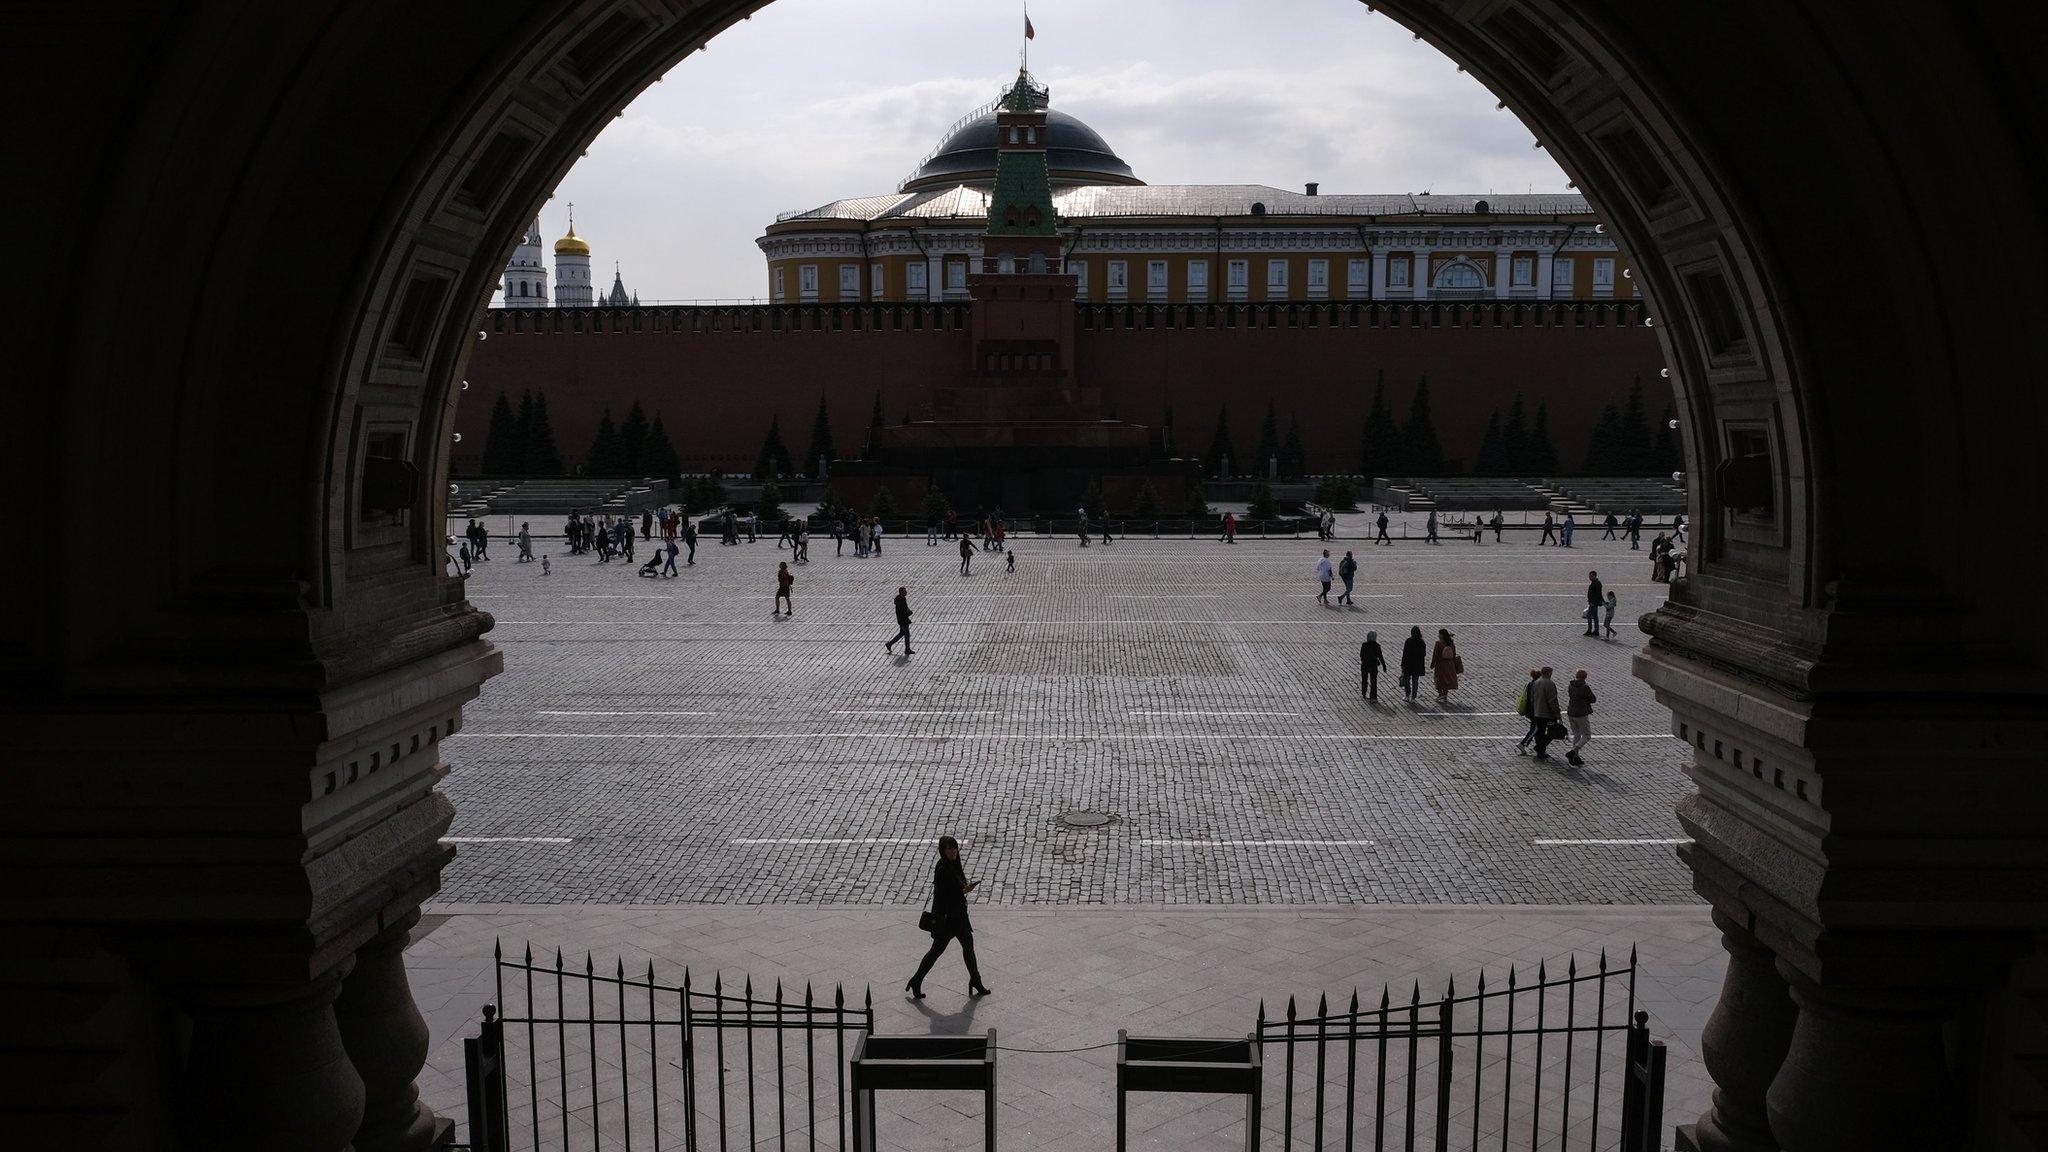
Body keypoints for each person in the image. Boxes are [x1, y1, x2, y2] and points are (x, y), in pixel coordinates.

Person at [905, 835, 989, 999]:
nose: (952, 851)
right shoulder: (943, 869)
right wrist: (964, 891)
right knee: (937, 951)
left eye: (954, 848)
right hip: (949, 919)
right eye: (949, 848)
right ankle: (916, 980)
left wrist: (963, 889)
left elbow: (955, 889)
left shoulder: (953, 865)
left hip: (958, 917)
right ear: (943, 851)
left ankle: (975, 980)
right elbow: (945, 895)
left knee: (968, 949)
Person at [1529, 667, 1562, 760]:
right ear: (1548, 673)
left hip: (1537, 712)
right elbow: (1552, 700)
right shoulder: (1550, 684)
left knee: (1540, 732)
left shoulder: (1536, 683)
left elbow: (1532, 697)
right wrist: (1557, 714)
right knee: (1553, 731)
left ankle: (1540, 750)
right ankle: (1540, 748)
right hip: (1548, 713)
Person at [1565, 669, 1596, 766]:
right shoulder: (1585, 687)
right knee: (1587, 735)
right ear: (1585, 677)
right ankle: (1573, 751)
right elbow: (1593, 699)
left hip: (1571, 712)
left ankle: (1575, 757)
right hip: (1581, 714)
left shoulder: (1570, 685)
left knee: (1576, 734)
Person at [1515, 668, 1544, 754]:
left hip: (1530, 710)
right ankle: (1523, 743)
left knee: (1534, 727)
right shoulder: (1536, 686)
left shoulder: (1530, 684)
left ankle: (1531, 745)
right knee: (1536, 728)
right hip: (1534, 711)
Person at [1430, 628, 1462, 705]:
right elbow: (1454, 653)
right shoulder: (1451, 643)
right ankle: (1445, 695)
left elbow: (1435, 654)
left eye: (1439, 634)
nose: (1438, 635)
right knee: (1447, 680)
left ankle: (1440, 694)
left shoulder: (1438, 643)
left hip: (1440, 665)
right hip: (1450, 664)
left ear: (1442, 635)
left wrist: (1432, 663)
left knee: (1439, 679)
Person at [1400, 626, 1427, 701]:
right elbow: (1424, 654)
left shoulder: (1408, 641)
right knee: (1415, 681)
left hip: (1408, 664)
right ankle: (1413, 697)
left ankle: (1407, 695)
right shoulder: (1422, 642)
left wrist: (1402, 665)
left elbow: (1405, 654)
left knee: (1407, 680)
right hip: (1417, 665)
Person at [885, 586, 914, 655]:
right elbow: (902, 611)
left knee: (902, 633)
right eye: (904, 591)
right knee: (906, 634)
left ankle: (890, 644)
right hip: (903, 620)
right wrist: (909, 613)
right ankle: (907, 649)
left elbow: (906, 608)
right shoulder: (899, 600)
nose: (906, 592)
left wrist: (908, 611)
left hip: (904, 619)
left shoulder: (903, 598)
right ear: (901, 592)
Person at [1360, 631, 1387, 700]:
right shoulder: (1377, 646)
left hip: (1365, 665)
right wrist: (1384, 666)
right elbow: (1380, 657)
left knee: (1364, 679)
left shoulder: (1364, 645)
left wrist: (1364, 660)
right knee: (1373, 681)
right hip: (1373, 665)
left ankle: (1364, 692)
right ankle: (1373, 696)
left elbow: (1361, 655)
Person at [1584, 571, 1604, 636]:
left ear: (1595, 576)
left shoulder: (1597, 583)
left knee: (1589, 616)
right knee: (1594, 616)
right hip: (1592, 603)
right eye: (1589, 576)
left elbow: (1598, 594)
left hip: (1594, 603)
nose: (1590, 577)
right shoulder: (1594, 583)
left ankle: (1590, 630)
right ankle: (1595, 630)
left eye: (1591, 576)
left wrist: (1593, 602)